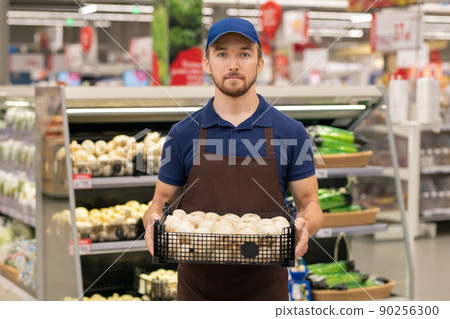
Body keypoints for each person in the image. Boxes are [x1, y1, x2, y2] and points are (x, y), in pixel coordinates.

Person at [144, 17, 323, 301]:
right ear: (207, 63)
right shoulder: (182, 134)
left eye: (244, 53)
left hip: (265, 294)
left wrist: (305, 225)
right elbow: (159, 202)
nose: (233, 64)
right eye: (222, 53)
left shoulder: (291, 132)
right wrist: (152, 222)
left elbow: (310, 204)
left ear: (260, 63)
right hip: (197, 294)